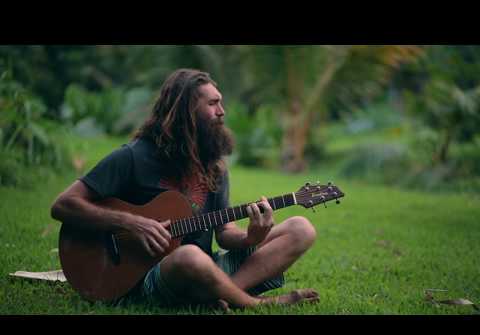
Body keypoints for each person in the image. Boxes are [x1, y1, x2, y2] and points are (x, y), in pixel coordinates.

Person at [51, 69, 319, 311]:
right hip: (149, 276)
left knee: (301, 228)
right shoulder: (133, 157)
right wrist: (132, 222)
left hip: (204, 269)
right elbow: (64, 205)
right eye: (213, 103)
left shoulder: (214, 167)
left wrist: (251, 237)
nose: (222, 111)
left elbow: (225, 233)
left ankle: (222, 294)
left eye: (221, 102)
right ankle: (253, 303)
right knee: (189, 256)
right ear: (186, 110)